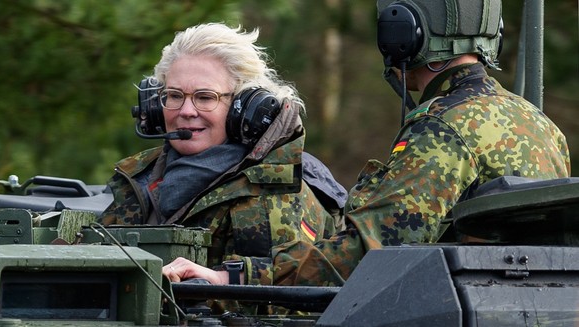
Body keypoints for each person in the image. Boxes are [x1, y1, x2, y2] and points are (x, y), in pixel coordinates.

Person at [162, 0, 570, 287]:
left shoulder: (444, 129)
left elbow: (369, 252)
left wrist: (233, 277)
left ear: (403, 35)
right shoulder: (538, 123)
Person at [97, 23, 347, 294]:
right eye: (174, 96)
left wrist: (208, 285)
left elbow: (290, 301)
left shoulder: (278, 190)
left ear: (244, 106)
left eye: (205, 97)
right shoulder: (138, 177)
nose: (187, 111)